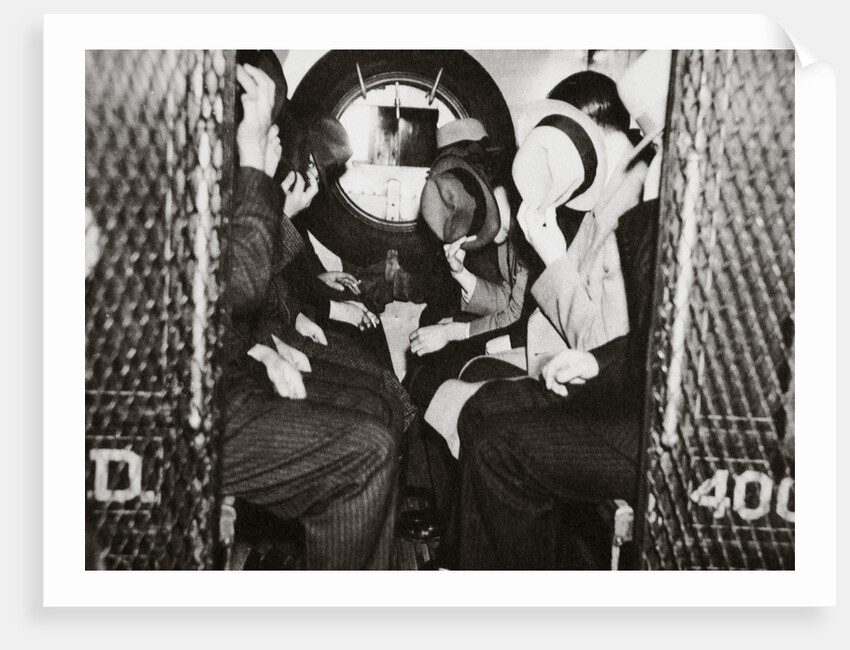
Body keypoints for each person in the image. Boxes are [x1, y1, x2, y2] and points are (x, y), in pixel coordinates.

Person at [448, 54, 672, 569]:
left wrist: (551, 258)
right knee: (481, 415)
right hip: (587, 373)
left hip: (615, 399)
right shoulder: (607, 201)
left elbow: (602, 337)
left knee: (493, 438)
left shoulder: (637, 205)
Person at [220, 52, 404, 569]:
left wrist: (262, 345)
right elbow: (249, 285)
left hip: (243, 352)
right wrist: (260, 176)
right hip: (211, 386)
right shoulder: (244, 174)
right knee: (371, 433)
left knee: (380, 407)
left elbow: (226, 298)